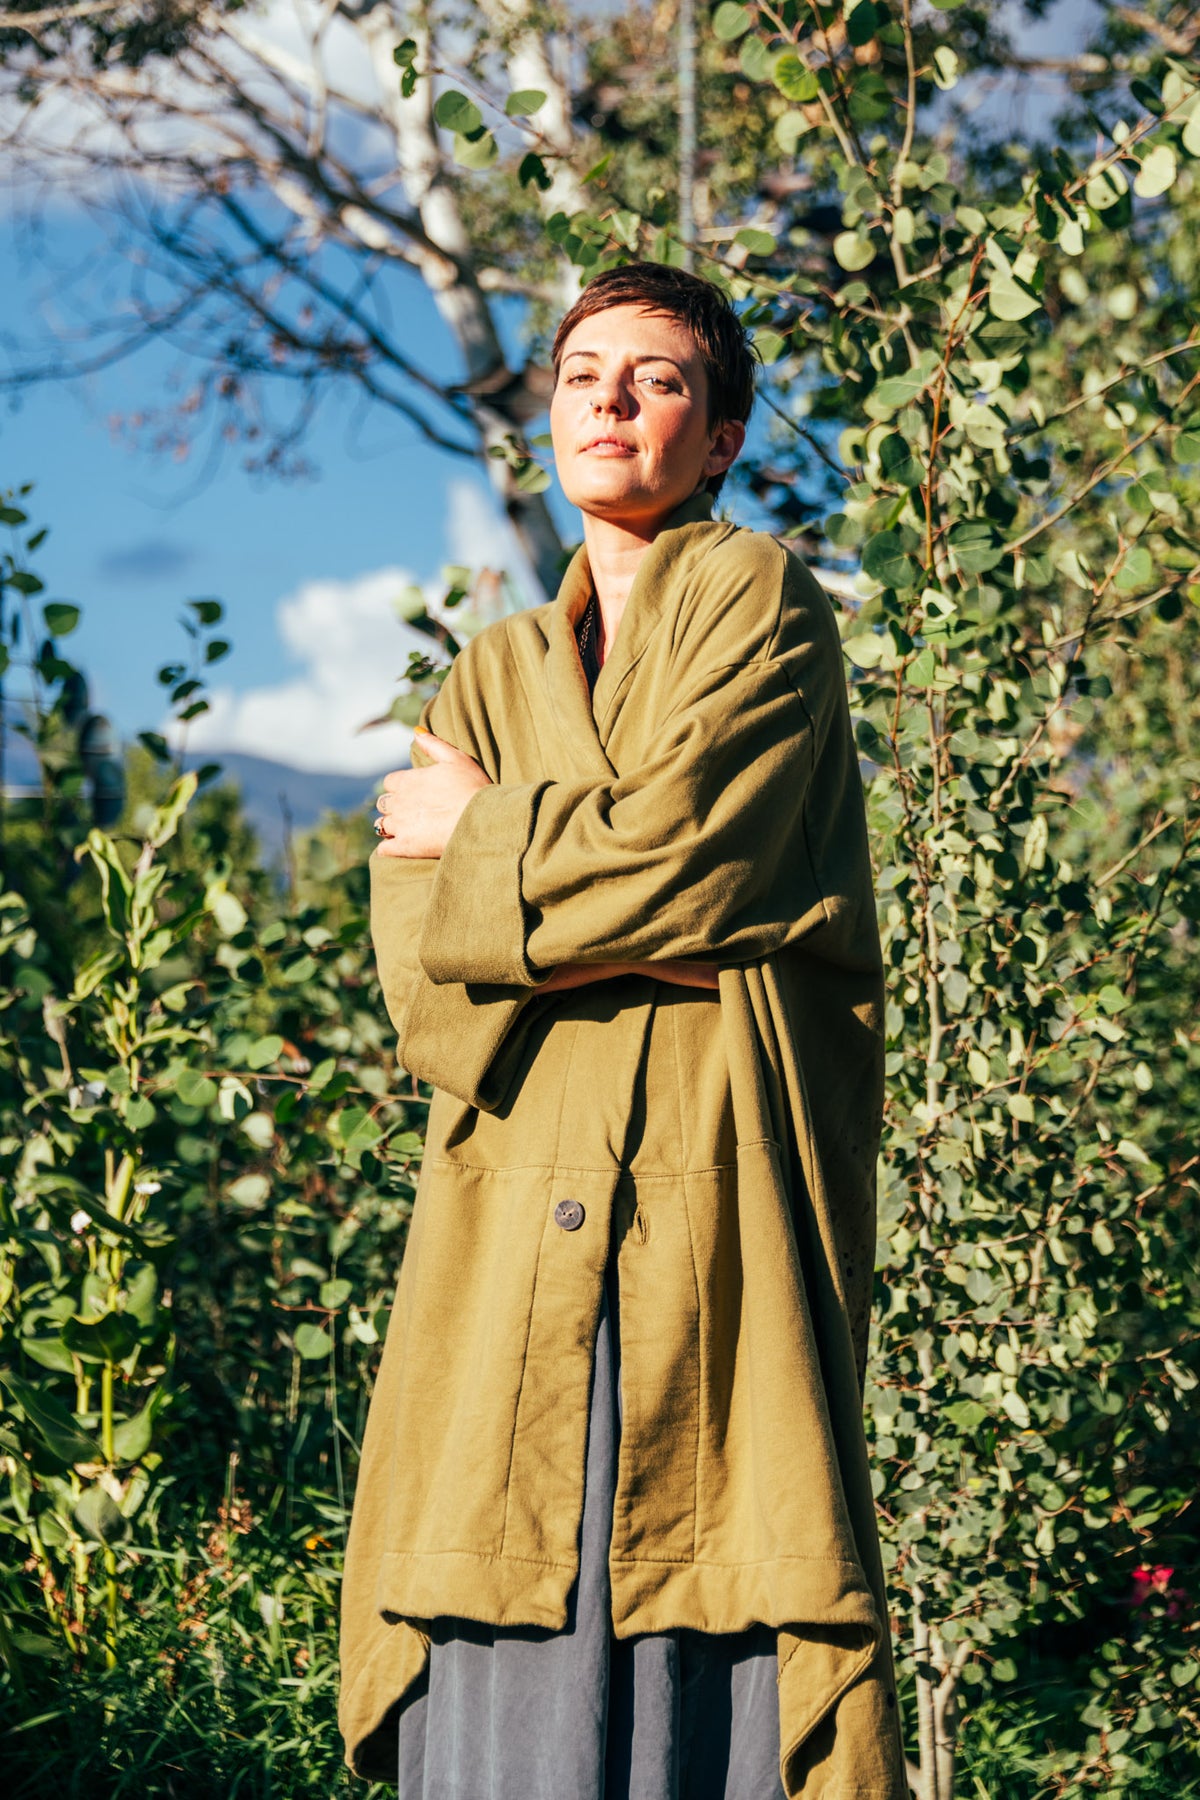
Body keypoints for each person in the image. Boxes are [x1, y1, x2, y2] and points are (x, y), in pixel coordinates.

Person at [339, 262, 908, 1800]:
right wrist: (666, 940)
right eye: (584, 373)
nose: (609, 400)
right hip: (504, 1234)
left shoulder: (759, 598)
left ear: (719, 437)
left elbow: (695, 858)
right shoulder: (489, 672)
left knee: (718, 1559)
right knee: (491, 1559)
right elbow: (427, 978)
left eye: (657, 378)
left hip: (712, 1211)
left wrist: (494, 849)